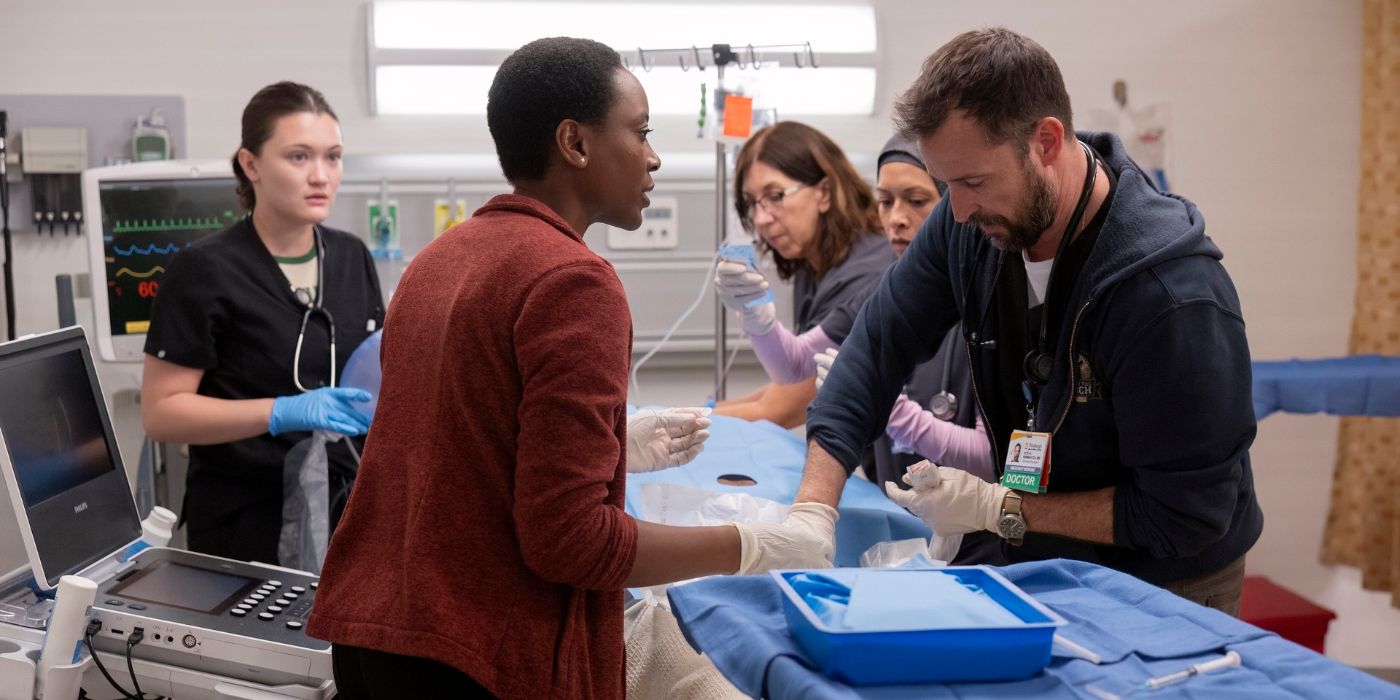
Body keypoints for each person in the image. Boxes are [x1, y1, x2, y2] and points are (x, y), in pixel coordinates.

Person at [306, 38, 836, 699]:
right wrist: (757, 545)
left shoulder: (438, 261)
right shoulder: (572, 282)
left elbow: (461, 455)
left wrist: (610, 453)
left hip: (376, 637)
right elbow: (573, 544)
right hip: (475, 656)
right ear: (575, 144)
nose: (654, 157)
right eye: (639, 132)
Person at [802, 28, 1262, 615]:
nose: (958, 211)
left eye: (972, 182)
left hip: (1164, 583)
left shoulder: (1171, 299)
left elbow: (1184, 514)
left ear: (1045, 141)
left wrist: (1002, 507)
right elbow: (874, 348)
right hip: (1036, 553)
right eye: (947, 186)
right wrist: (814, 511)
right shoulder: (968, 223)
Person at [141, 82, 385, 566]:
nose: (321, 176)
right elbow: (161, 414)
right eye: (298, 157)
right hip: (246, 522)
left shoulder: (351, 255)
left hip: (345, 511)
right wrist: (281, 412)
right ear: (250, 164)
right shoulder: (204, 270)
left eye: (333, 157)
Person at [814, 135, 999, 565]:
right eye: (884, 201)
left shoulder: (985, 304)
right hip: (902, 532)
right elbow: (797, 364)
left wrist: (900, 417)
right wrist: (757, 317)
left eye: (917, 201)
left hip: (982, 548)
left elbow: (995, 457)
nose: (896, 219)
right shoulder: (881, 296)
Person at [712, 122, 893, 428]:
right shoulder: (814, 262)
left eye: (776, 195)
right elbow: (791, 378)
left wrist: (679, 419)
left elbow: (787, 403)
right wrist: (705, 408)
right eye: (752, 203)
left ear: (824, 193)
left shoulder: (868, 274)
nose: (761, 218)